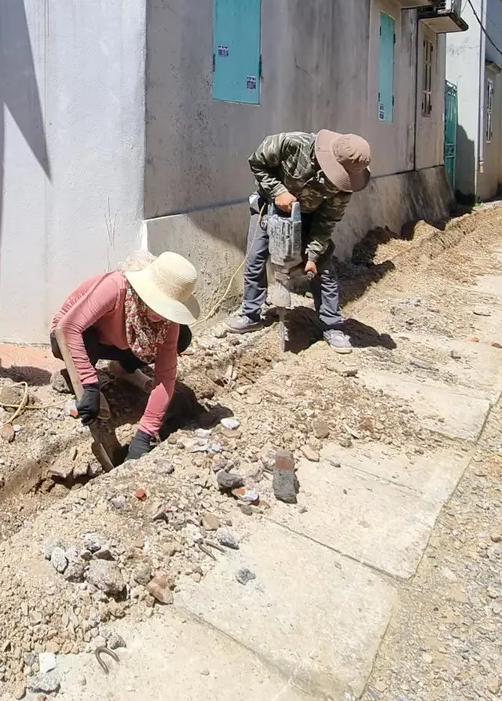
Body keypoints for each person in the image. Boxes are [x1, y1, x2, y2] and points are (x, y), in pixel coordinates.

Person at [222, 130, 371, 353]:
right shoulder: (290, 143)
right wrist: (278, 191)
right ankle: (250, 314)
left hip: (310, 217)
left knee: (324, 270)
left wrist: (312, 255)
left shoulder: (344, 185)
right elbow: (257, 162)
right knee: (255, 258)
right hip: (270, 206)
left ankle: (332, 325)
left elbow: (327, 221)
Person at [50, 252, 200, 461]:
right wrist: (90, 384)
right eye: (159, 304)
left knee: (182, 337)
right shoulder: (116, 288)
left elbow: (166, 379)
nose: (162, 314)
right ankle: (82, 376)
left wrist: (145, 434)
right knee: (86, 338)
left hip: (119, 342)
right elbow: (68, 328)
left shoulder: (167, 322)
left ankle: (122, 369)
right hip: (74, 337)